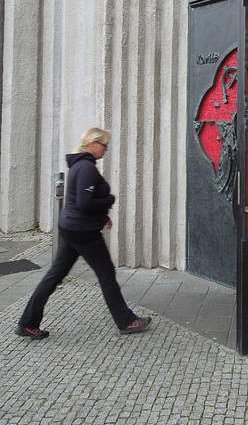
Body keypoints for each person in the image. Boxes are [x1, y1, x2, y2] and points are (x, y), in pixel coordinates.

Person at [15, 127, 152, 339]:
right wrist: (110, 200)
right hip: (83, 232)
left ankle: (27, 323)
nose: (106, 149)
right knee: (106, 275)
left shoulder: (79, 165)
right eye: (104, 145)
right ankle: (127, 321)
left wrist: (102, 217)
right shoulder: (86, 168)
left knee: (54, 275)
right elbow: (85, 202)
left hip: (72, 228)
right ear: (92, 144)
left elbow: (81, 202)